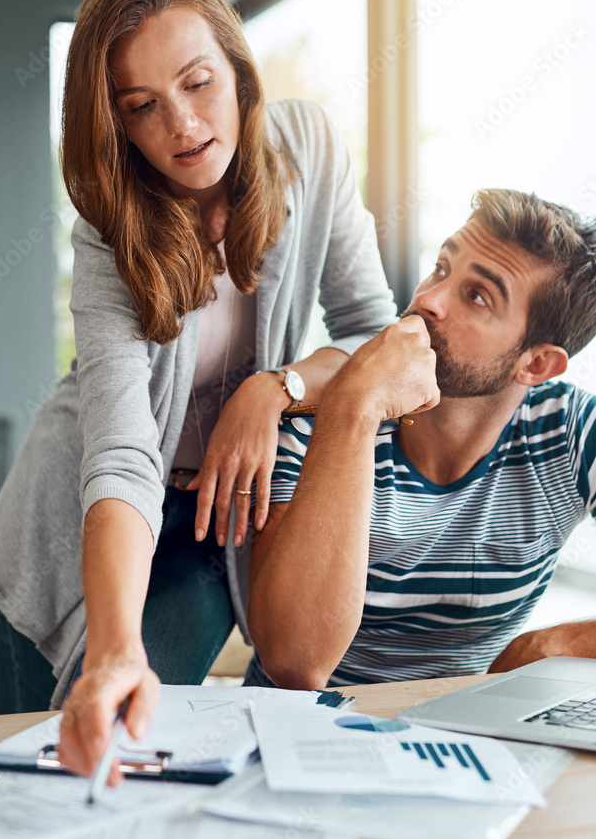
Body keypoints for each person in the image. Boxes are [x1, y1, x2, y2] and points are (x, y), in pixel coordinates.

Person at [0, 0, 396, 781]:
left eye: (198, 83)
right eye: (142, 107)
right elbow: (123, 448)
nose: (182, 125)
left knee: (140, 749)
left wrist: (275, 391)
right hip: (65, 530)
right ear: (118, 124)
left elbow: (373, 333)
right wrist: (113, 649)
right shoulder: (109, 224)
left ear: (236, 69)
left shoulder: (307, 147)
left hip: (209, 524)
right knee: (39, 773)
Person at [245, 188, 596, 690]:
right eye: (441, 268)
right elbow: (295, 661)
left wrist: (554, 645)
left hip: (462, 737)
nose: (427, 300)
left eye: (476, 295)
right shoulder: (317, 412)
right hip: (301, 735)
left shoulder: (572, 432)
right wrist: (356, 405)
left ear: (536, 363)